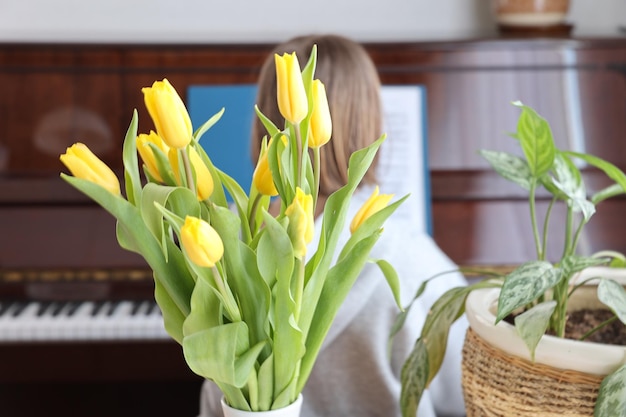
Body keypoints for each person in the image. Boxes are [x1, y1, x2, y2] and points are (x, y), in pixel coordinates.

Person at [198, 34, 468, 417]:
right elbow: (465, 394)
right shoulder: (411, 260)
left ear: (264, 123)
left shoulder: (222, 242)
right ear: (370, 123)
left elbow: (215, 400)